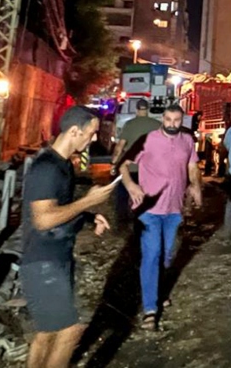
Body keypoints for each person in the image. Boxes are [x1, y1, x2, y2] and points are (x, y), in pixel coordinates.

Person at [22, 106, 114, 368]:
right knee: (70, 330)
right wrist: (86, 202)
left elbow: (58, 207)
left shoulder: (63, 165)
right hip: (43, 261)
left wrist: (87, 217)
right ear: (75, 131)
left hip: (55, 258)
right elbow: (42, 219)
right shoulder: (47, 167)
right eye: (91, 133)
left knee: (47, 333)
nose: (94, 138)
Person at [119, 104, 202, 330]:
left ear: (181, 120)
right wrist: (131, 186)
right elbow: (122, 165)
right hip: (149, 210)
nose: (172, 124)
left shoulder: (187, 140)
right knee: (152, 254)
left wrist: (195, 186)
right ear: (162, 119)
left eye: (176, 120)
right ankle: (150, 309)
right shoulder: (147, 140)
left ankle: (159, 290)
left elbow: (192, 166)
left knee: (166, 255)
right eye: (168, 119)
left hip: (174, 210)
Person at [112, 99, 160, 229]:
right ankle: (145, 221)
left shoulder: (129, 125)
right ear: (148, 109)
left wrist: (114, 162)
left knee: (123, 194)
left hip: (130, 169)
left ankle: (121, 223)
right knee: (148, 196)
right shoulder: (157, 125)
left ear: (137, 109)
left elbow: (119, 147)